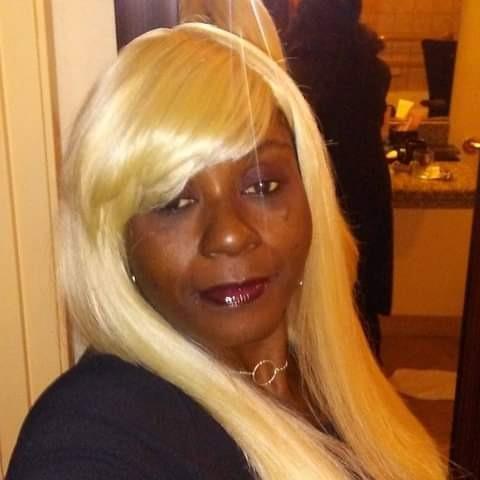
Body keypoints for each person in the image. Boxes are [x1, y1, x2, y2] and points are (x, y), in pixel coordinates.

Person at [7, 1, 444, 478]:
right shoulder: (92, 432)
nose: (230, 235)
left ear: (309, 194)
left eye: (262, 186)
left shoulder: (327, 373)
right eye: (173, 201)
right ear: (118, 240)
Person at [287, 0, 393, 359]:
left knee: (317, 297)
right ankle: (366, 379)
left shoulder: (299, 69)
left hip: (322, 186)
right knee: (361, 302)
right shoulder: (372, 67)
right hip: (366, 185)